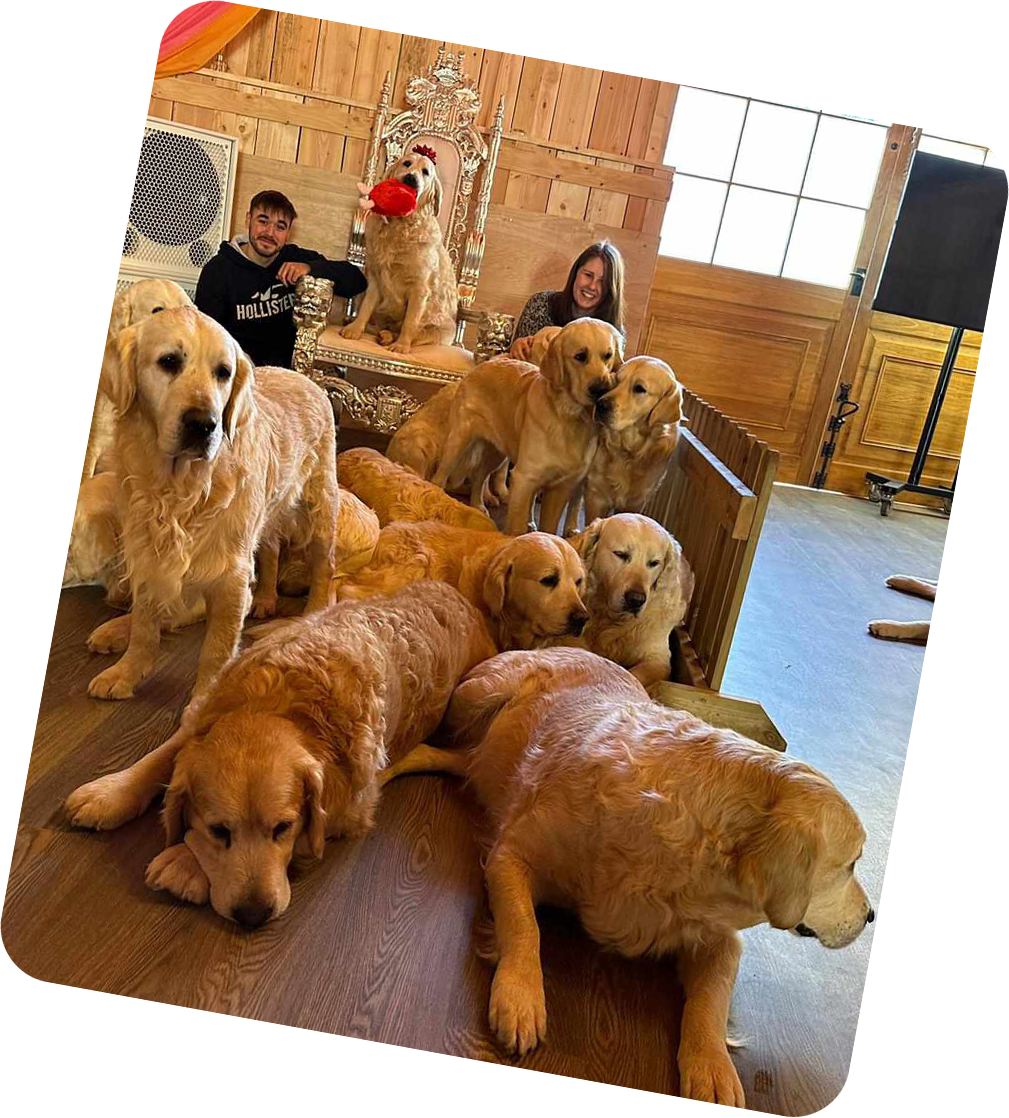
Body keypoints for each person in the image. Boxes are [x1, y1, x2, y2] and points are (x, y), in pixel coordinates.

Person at [195, 190, 367, 368]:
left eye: (280, 227)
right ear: (248, 220)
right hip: (238, 374)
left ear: (288, 232)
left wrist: (310, 269)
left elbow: (357, 281)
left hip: (289, 375)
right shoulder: (218, 270)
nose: (270, 233)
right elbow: (206, 338)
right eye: (263, 221)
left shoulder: (294, 257)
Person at [510, 241, 626, 362]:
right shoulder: (540, 304)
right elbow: (518, 364)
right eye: (588, 275)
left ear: (611, 289)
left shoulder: (616, 334)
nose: (592, 286)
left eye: (602, 282)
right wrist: (516, 348)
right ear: (575, 273)